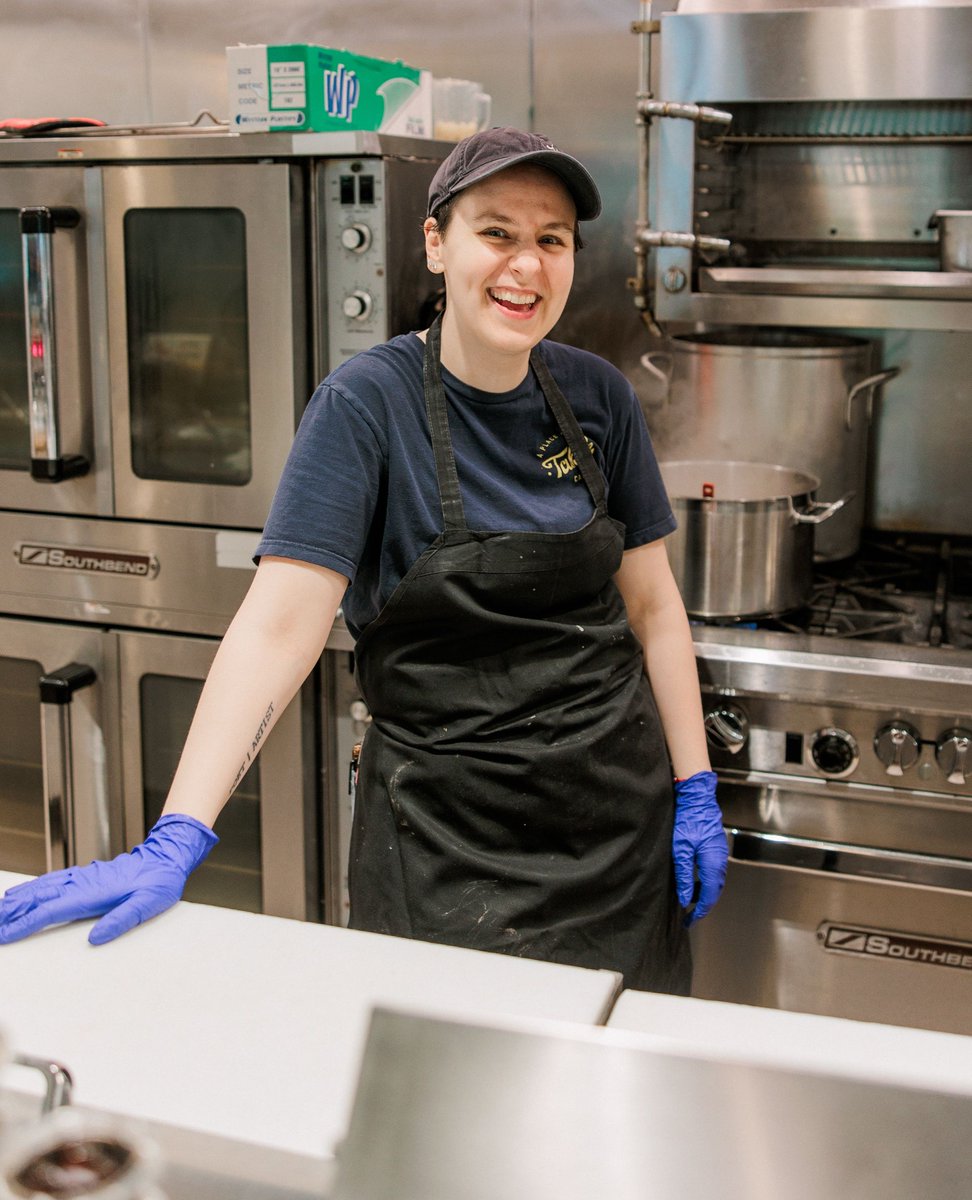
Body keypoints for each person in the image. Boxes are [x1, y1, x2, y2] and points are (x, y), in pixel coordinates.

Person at [0, 128, 727, 993]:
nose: (526, 266)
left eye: (551, 239)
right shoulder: (366, 405)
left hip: (616, 835)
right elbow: (279, 628)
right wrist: (179, 832)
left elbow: (652, 607)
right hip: (442, 848)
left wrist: (694, 785)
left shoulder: (598, 395)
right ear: (436, 243)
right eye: (496, 233)